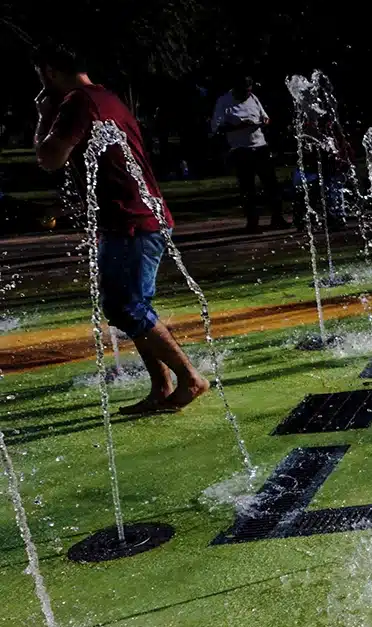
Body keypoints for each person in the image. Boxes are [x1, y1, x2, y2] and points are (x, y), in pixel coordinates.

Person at [32, 44, 209, 414]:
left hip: (132, 221)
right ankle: (161, 386)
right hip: (138, 217)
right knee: (133, 307)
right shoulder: (105, 97)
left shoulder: (76, 102)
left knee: (124, 306)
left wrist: (42, 115)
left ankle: (190, 378)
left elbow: (49, 159)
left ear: (48, 71)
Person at [210, 75, 287, 232]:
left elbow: (265, 117)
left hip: (260, 146)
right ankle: (253, 222)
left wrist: (264, 121)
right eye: (244, 92)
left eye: (249, 91)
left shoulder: (253, 98)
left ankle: (277, 217)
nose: (247, 95)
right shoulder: (224, 102)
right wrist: (239, 126)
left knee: (271, 184)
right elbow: (216, 129)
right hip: (240, 149)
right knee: (248, 187)